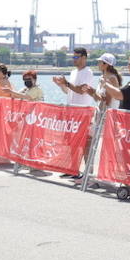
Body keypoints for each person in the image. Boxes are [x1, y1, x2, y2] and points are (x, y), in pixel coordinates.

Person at [51, 48, 98, 178]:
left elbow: (81, 90)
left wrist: (66, 83)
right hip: (71, 111)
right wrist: (61, 85)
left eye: (76, 57)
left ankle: (87, 171)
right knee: (71, 142)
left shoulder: (88, 72)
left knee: (84, 143)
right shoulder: (73, 72)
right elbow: (69, 91)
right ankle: (72, 169)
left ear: (84, 58)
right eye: (73, 57)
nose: (74, 60)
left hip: (83, 111)